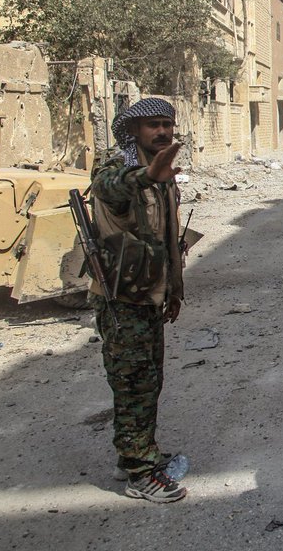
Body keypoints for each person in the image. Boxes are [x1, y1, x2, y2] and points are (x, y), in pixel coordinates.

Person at [89, 97, 190, 503]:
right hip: (122, 300)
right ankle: (139, 472)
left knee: (150, 381)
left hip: (150, 295)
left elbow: (168, 240)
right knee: (132, 383)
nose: (162, 131)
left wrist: (174, 291)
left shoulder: (163, 178)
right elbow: (110, 188)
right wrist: (147, 175)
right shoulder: (117, 171)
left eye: (167, 124)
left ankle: (135, 452)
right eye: (153, 125)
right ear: (133, 131)